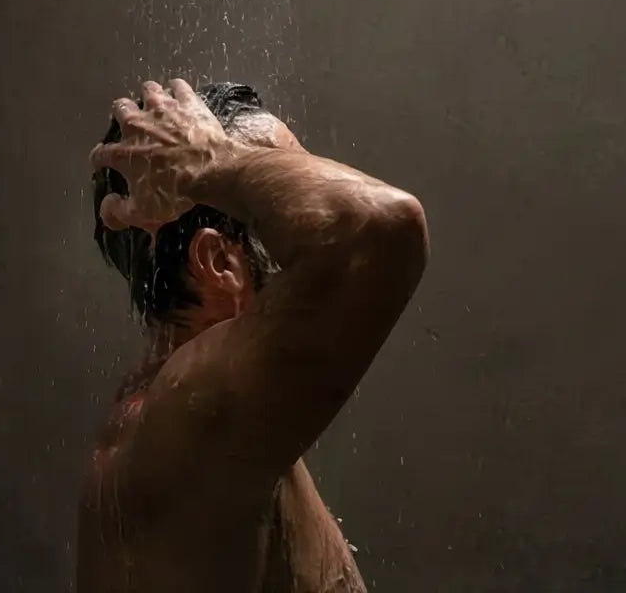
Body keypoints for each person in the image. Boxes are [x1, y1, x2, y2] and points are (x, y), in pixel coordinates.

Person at [79, 79, 429, 593]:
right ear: (221, 263)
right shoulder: (194, 411)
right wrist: (215, 167)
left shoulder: (201, 411)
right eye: (278, 204)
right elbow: (381, 228)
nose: (305, 199)